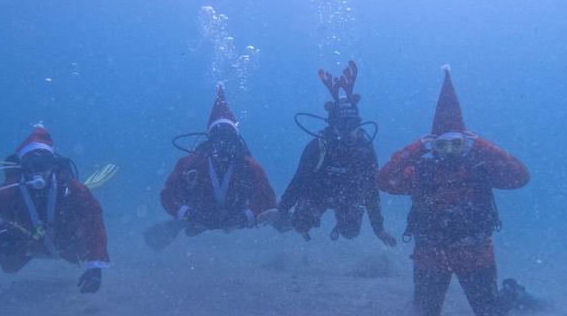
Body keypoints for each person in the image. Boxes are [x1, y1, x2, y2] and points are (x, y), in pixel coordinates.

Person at [377, 66, 529, 316]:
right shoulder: (421, 172)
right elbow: (384, 181)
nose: (449, 151)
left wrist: (481, 143)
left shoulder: (480, 169)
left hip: (475, 252)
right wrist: (417, 147)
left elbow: (520, 176)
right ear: (433, 146)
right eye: (442, 144)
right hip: (430, 253)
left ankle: (512, 291)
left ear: (465, 144)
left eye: (456, 144)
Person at [0, 125, 109, 293]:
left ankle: (0, 208)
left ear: (53, 163)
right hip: (25, 242)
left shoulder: (73, 189)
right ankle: (1, 213)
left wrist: (95, 266)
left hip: (64, 242)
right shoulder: (10, 189)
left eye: (44, 162)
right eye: (32, 164)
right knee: (9, 266)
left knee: (80, 252)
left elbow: (94, 224)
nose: (39, 170)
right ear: (22, 165)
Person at [274, 61, 397, 246]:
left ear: (359, 124)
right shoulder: (318, 147)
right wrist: (282, 210)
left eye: (353, 125)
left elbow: (372, 190)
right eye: (342, 125)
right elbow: (299, 180)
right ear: (332, 126)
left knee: (351, 231)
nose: (348, 131)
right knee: (300, 224)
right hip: (317, 194)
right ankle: (301, 217)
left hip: (348, 197)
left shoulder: (365, 150)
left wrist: (379, 229)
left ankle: (340, 225)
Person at [159, 85, 277, 237]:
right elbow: (168, 194)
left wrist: (246, 216)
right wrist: (187, 214)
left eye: (228, 137)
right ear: (210, 139)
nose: (223, 143)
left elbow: (267, 200)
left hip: (235, 219)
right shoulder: (190, 164)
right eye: (218, 136)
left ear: (236, 140)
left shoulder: (250, 167)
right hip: (197, 216)